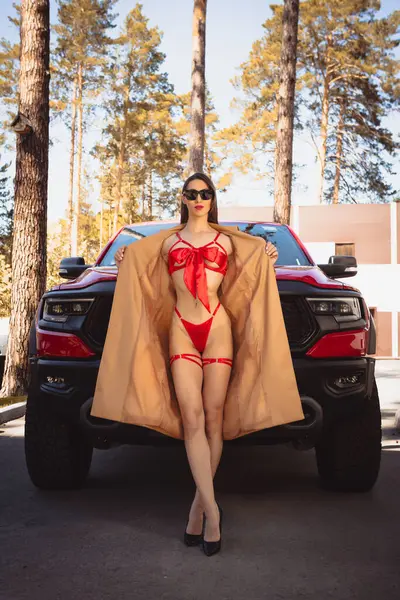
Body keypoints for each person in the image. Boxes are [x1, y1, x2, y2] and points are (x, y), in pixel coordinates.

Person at [113, 172, 279, 556]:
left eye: (206, 193)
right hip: (181, 330)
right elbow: (143, 279)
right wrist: (124, 257)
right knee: (192, 419)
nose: (200, 198)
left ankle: (196, 509)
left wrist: (267, 254)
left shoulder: (228, 241)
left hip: (218, 328)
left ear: (212, 199)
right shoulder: (167, 241)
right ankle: (214, 514)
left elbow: (251, 275)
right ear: (183, 198)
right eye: (192, 193)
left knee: (214, 415)